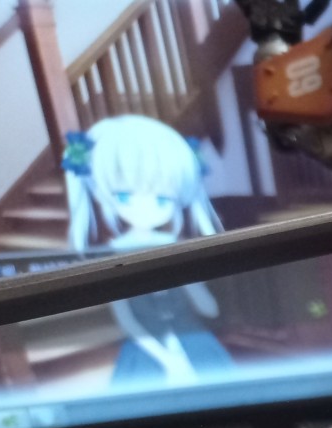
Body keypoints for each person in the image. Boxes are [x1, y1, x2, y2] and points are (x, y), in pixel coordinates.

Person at [63, 114, 233, 384]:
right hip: (148, 353)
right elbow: (127, 322)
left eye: (162, 199)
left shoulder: (175, 247)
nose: (143, 208)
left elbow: (208, 308)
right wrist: (168, 360)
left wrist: (191, 281)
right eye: (125, 196)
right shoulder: (113, 255)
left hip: (194, 341)